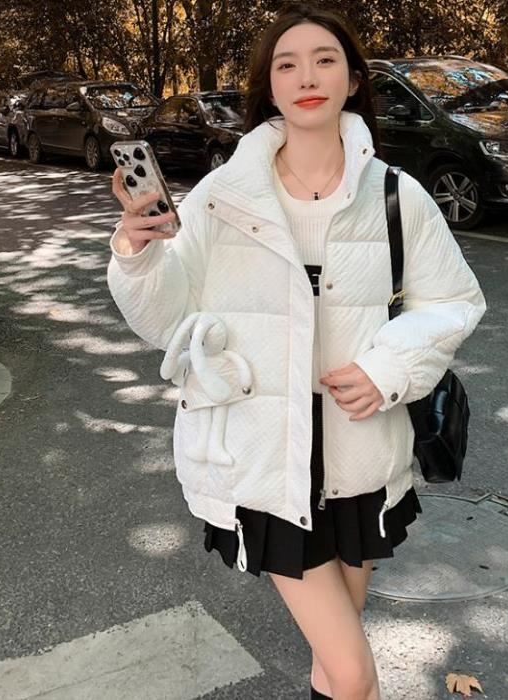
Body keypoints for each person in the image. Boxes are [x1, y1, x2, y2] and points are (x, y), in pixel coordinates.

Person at [107, 3, 487, 698]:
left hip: (359, 455)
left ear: (353, 80)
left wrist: (386, 367)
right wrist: (137, 251)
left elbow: (453, 301)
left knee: (334, 661)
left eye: (324, 60)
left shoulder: (397, 196)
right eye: (287, 64)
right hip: (261, 457)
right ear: (270, 86)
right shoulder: (222, 196)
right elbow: (165, 319)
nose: (306, 76)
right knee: (354, 673)